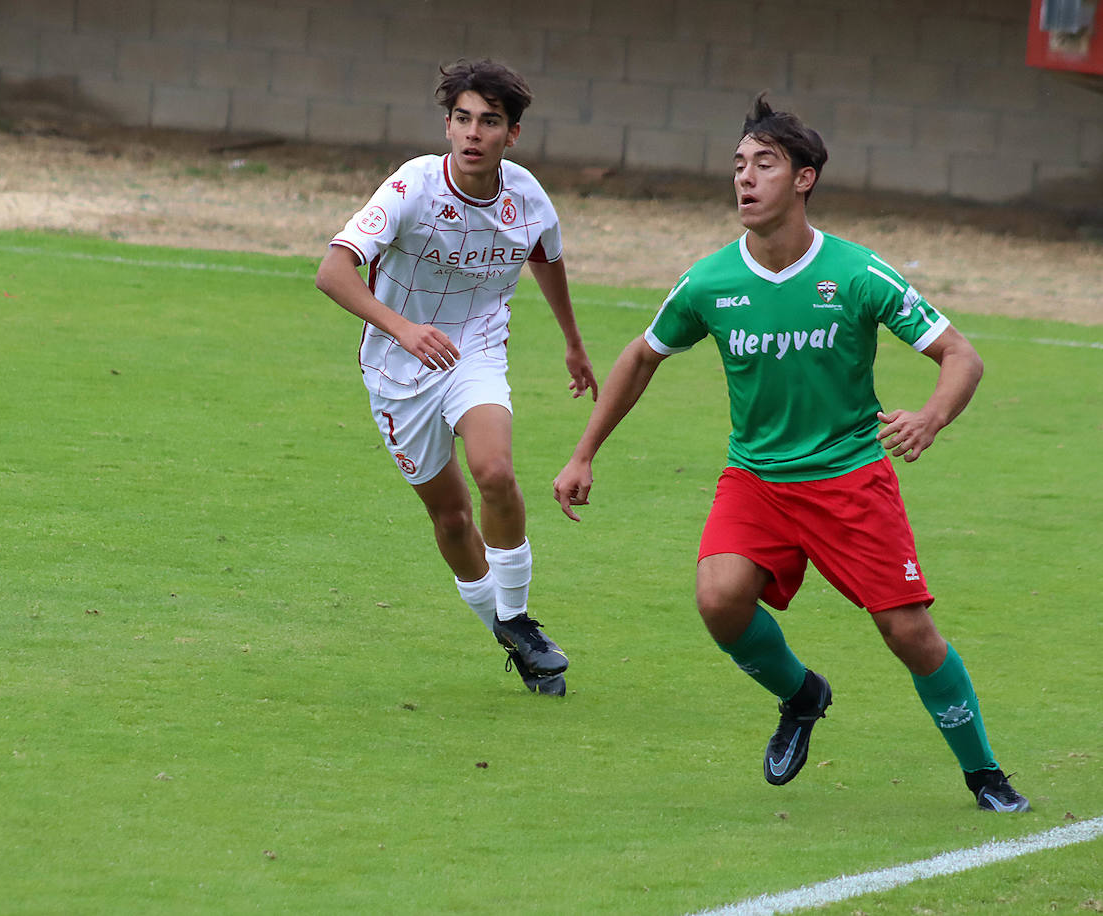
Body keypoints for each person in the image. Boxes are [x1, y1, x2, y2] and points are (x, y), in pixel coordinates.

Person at [552, 93, 1029, 810]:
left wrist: (932, 416)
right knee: (718, 600)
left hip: (849, 478)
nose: (745, 178)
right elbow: (642, 355)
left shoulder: (859, 273)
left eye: (764, 164)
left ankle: (984, 772)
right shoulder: (711, 280)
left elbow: (961, 355)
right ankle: (802, 695)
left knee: (908, 631)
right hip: (757, 480)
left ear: (803, 178)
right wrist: (583, 453)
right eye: (739, 165)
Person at [316, 58, 597, 696]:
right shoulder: (413, 186)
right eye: (464, 119)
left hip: (474, 351)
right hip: (396, 368)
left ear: (512, 134)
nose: (474, 133)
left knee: (495, 471)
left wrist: (574, 344)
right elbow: (333, 271)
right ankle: (504, 632)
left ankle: (521, 619)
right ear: (447, 125)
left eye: (490, 122)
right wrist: (402, 328)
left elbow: (546, 257)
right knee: (450, 518)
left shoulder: (527, 196)